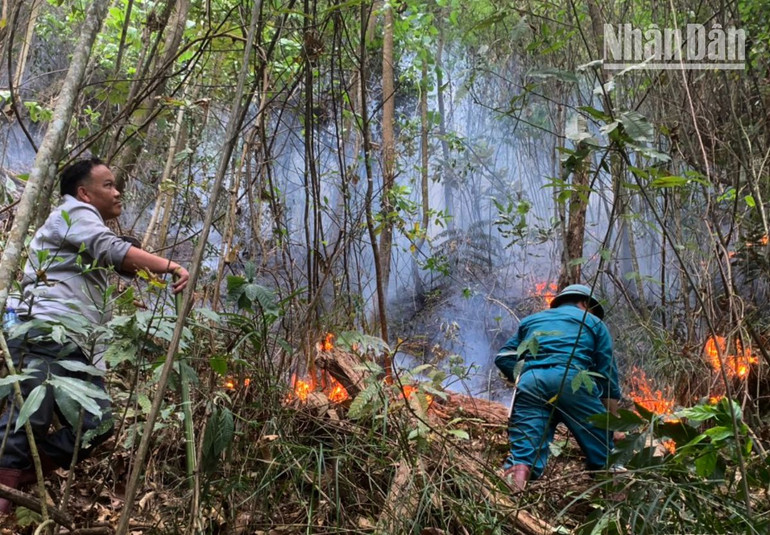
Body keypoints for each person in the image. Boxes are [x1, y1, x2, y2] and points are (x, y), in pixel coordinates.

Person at [0, 158, 190, 513]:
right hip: (44, 328)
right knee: (30, 418)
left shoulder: (83, 226)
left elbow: (114, 254)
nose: (117, 192)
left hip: (70, 339)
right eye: (108, 185)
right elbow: (111, 249)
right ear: (84, 193)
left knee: (96, 422)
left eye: (116, 185)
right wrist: (172, 266)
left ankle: (27, 469)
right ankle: (7, 491)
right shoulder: (73, 212)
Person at [494, 284, 621, 491]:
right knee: (605, 452)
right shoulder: (595, 323)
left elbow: (503, 357)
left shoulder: (531, 320)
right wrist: (614, 424)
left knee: (523, 457)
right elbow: (607, 378)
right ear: (586, 303)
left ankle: (506, 508)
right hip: (573, 380)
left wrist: (524, 374)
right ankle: (618, 514)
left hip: (531, 382)